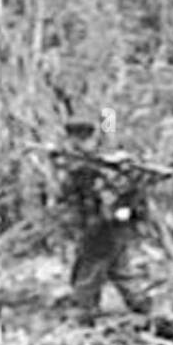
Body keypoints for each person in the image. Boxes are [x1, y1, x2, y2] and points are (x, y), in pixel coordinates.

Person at [52, 120, 153, 326]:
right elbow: (69, 195)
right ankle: (141, 305)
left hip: (103, 225)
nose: (77, 143)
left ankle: (82, 312)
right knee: (119, 269)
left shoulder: (106, 165)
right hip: (100, 224)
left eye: (81, 139)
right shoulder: (80, 163)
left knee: (90, 269)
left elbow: (124, 191)